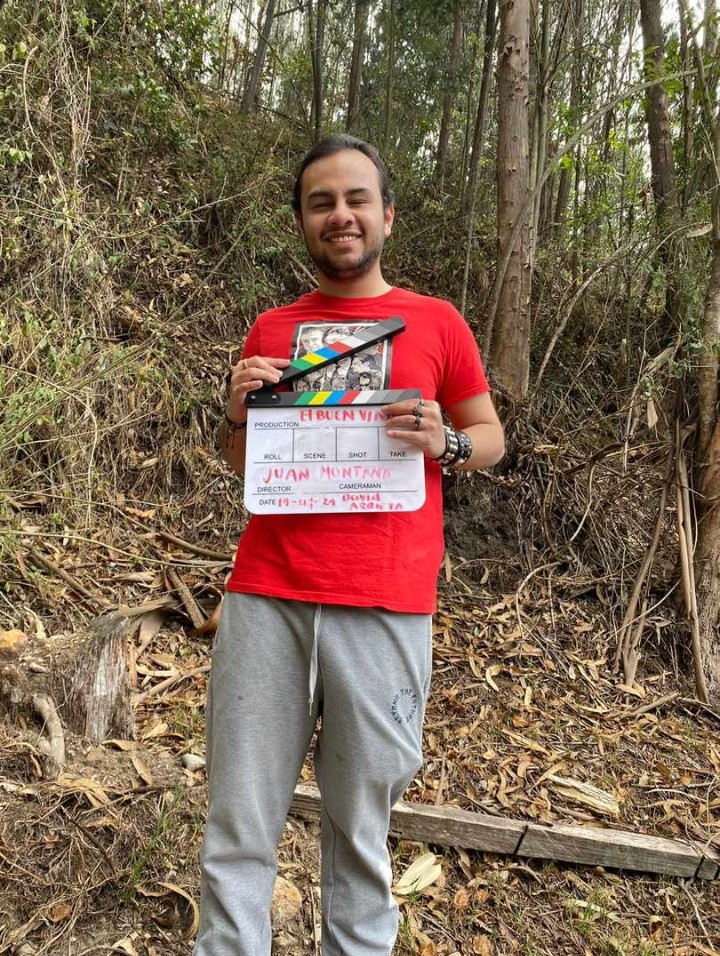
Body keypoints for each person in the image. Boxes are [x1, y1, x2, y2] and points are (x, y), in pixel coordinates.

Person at [194, 134, 505, 956]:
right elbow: (240, 461)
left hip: (388, 601)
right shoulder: (275, 327)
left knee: (362, 828)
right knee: (239, 815)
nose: (341, 215)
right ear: (302, 220)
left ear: (387, 216)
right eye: (321, 202)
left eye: (356, 199)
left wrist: (448, 443)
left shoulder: (437, 323)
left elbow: (491, 436)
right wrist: (236, 412)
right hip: (268, 595)